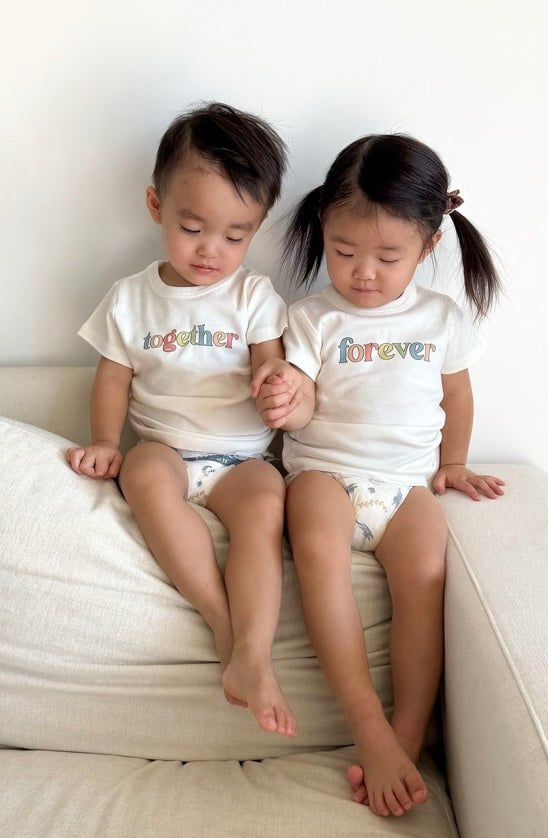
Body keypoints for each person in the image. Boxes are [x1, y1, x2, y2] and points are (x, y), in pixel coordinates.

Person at [252, 133, 505, 814]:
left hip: (405, 486)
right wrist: (286, 398)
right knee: (317, 548)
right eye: (344, 252)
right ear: (322, 231)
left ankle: (407, 732)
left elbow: (457, 397)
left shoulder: (441, 318)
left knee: (425, 572)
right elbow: (303, 398)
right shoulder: (311, 317)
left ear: (428, 246)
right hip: (325, 474)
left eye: (388, 257)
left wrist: (454, 462)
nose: (364, 273)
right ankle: (367, 723)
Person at [67, 102, 298, 738]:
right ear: (156, 206)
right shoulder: (130, 298)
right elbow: (113, 376)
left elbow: (271, 361)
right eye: (192, 228)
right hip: (165, 448)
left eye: (235, 236)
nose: (211, 251)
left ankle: (254, 653)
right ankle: (224, 626)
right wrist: (105, 441)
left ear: (256, 229)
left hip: (243, 459)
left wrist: (273, 382)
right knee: (142, 473)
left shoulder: (253, 296)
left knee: (266, 506)